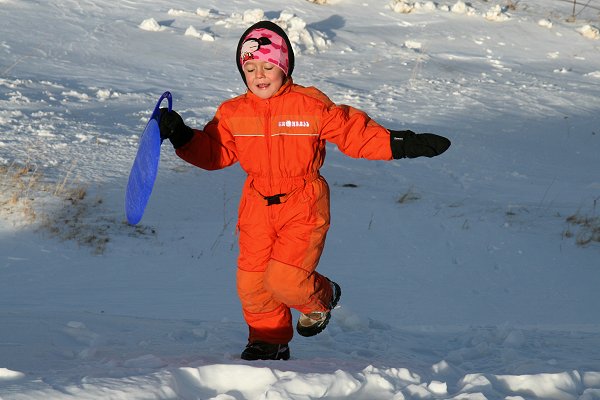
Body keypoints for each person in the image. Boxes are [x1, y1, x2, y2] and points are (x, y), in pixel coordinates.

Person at [158, 20, 450, 361]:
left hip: (303, 202)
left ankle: (323, 295)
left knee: (284, 280)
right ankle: (269, 341)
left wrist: (399, 144)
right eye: (250, 67)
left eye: (268, 66)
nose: (259, 74)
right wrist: (181, 134)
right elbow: (215, 152)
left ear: (284, 67)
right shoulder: (233, 113)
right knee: (252, 284)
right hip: (256, 206)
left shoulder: (308, 105)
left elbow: (352, 131)